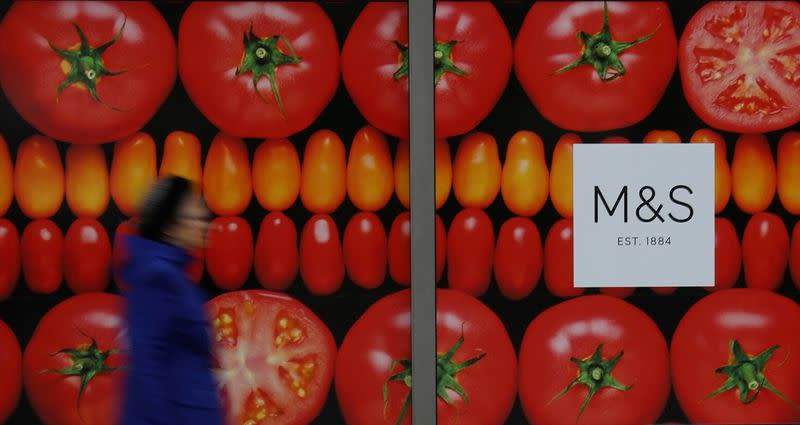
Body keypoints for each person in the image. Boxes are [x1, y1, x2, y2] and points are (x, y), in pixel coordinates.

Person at [118, 175, 222, 425]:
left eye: (204, 217)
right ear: (169, 227)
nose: (205, 225)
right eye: (195, 218)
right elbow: (145, 365)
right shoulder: (157, 277)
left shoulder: (176, 276)